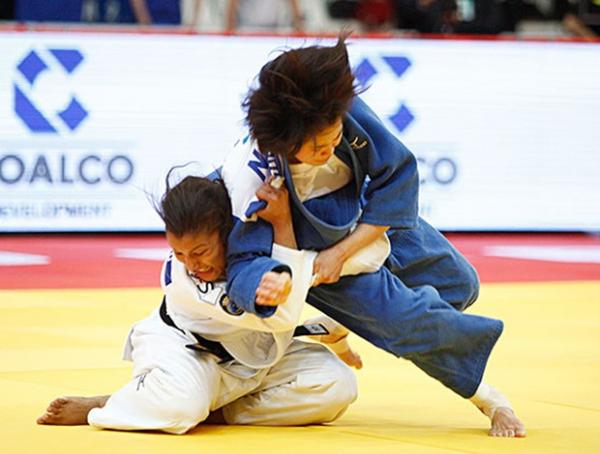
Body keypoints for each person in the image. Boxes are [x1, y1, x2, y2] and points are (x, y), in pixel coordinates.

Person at [220, 35, 526, 437]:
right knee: (406, 321)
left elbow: (397, 172)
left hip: (367, 217)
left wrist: (347, 249)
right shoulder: (252, 180)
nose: (331, 146)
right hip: (317, 258)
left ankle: (338, 324)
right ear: (287, 141)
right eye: (318, 146)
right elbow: (242, 259)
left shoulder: (335, 110)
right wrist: (269, 282)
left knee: (459, 285)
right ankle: (490, 400)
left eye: (335, 136)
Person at [37, 170, 360, 434]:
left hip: (256, 357)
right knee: (179, 409)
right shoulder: (185, 281)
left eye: (201, 252)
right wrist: (283, 223)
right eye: (180, 253)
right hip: (188, 351)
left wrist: (343, 349)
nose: (193, 265)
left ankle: (209, 409)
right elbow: (283, 318)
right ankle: (111, 404)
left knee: (336, 386)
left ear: (226, 234)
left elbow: (323, 309)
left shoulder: (255, 250)